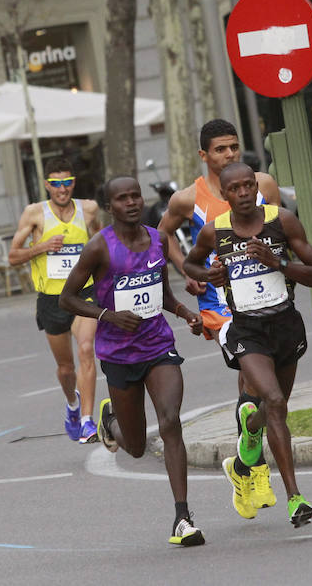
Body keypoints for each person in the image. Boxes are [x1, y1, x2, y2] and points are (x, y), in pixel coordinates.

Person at [59, 176, 205, 547]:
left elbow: (162, 293)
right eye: (122, 198)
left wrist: (184, 311)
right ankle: (111, 423)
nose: (131, 203)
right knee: (137, 446)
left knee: (171, 422)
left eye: (135, 195)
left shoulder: (158, 239)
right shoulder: (99, 248)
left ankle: (182, 517)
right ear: (110, 207)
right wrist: (107, 316)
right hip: (119, 354)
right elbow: (67, 298)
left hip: (158, 346)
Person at [184, 162, 312, 528]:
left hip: (285, 326)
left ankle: (251, 431)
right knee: (275, 401)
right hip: (246, 330)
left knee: (275, 408)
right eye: (236, 188)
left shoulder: (283, 221)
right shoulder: (215, 232)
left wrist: (277, 262)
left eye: (250, 185)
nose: (245, 192)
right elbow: (190, 264)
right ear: (225, 194)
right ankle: (296, 498)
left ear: (256, 188)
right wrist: (207, 275)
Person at [158, 119, 281, 508]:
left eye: (234, 147)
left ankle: (243, 464)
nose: (229, 154)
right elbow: (162, 235)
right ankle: (257, 471)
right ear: (204, 155)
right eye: (221, 149)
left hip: (264, 297)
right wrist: (186, 273)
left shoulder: (264, 185)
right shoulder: (186, 199)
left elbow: (280, 230)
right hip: (220, 304)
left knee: (257, 383)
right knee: (254, 376)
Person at [8, 157, 101, 443]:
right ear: (47, 184)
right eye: (56, 183)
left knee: (86, 348)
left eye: (67, 182)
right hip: (52, 299)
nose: (63, 189)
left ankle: (87, 421)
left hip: (84, 293)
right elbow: (12, 257)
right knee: (65, 368)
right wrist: (43, 246)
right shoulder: (35, 214)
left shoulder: (89, 209)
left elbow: (102, 243)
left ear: (74, 182)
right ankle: (72, 406)